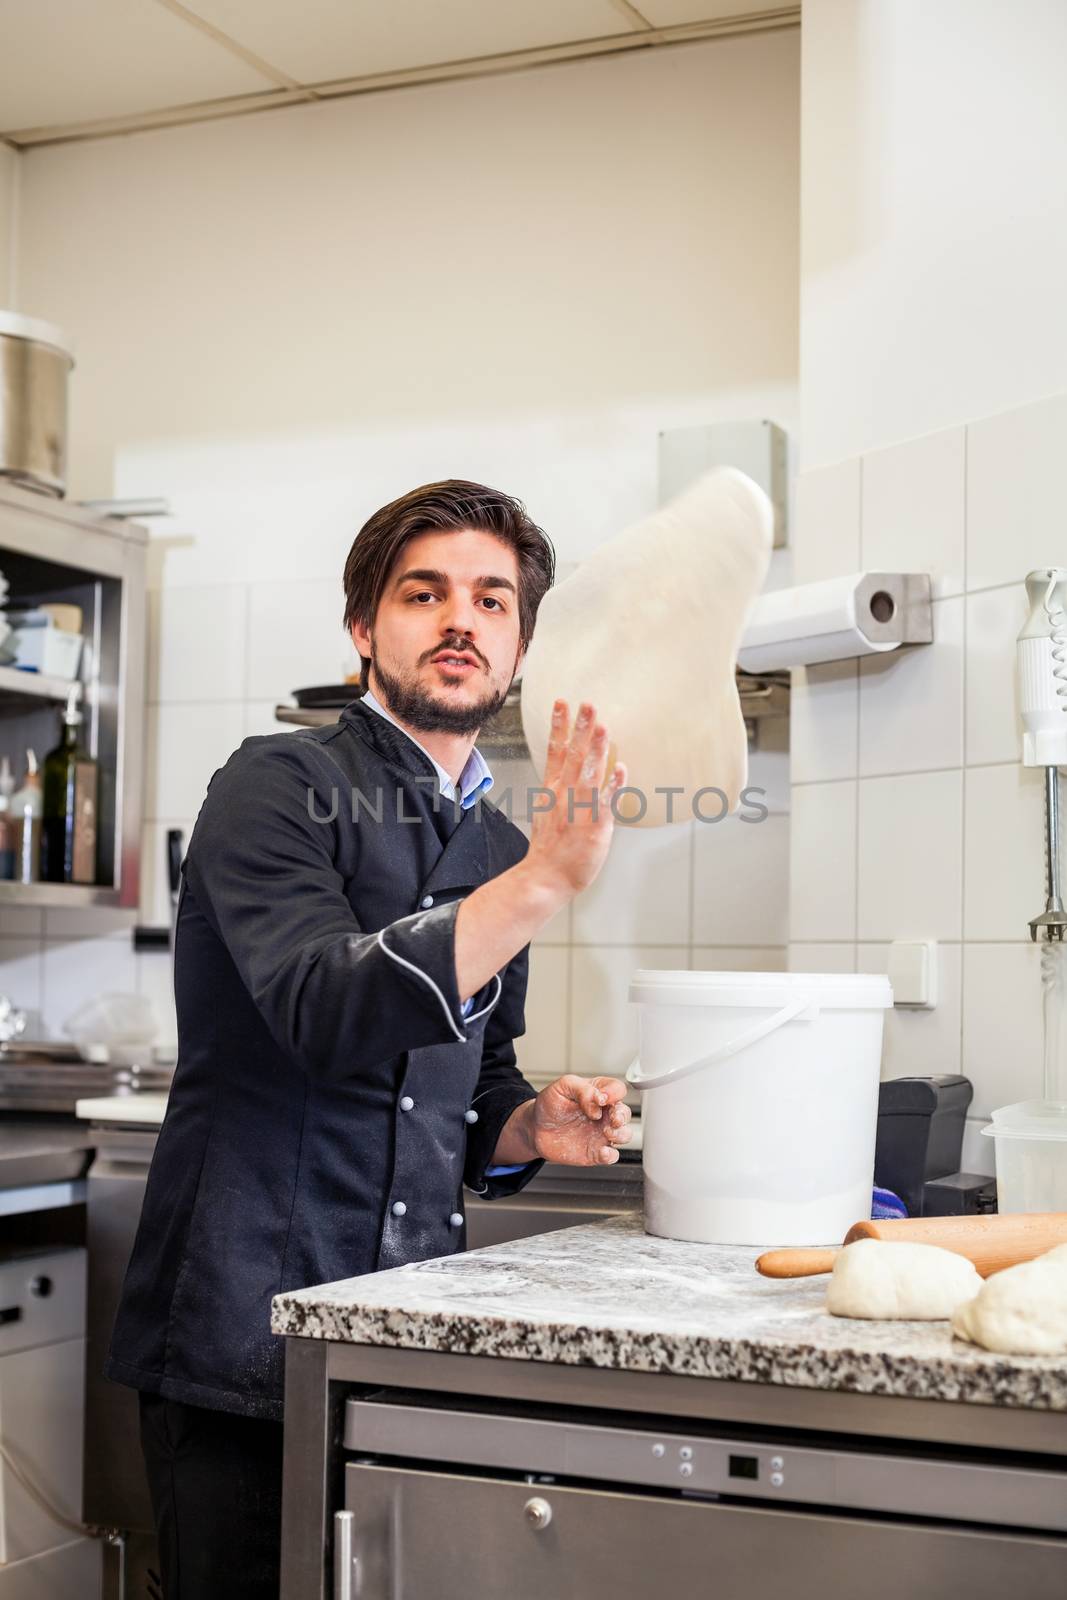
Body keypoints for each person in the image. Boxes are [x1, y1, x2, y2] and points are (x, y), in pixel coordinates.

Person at [106, 479, 633, 1597]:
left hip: (401, 1330)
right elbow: (321, 1006)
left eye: (492, 602)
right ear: (362, 628)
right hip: (243, 1335)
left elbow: (475, 1085)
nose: (460, 619)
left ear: (520, 648)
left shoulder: (495, 840)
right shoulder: (275, 786)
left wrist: (531, 1121)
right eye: (423, 592)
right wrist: (543, 882)